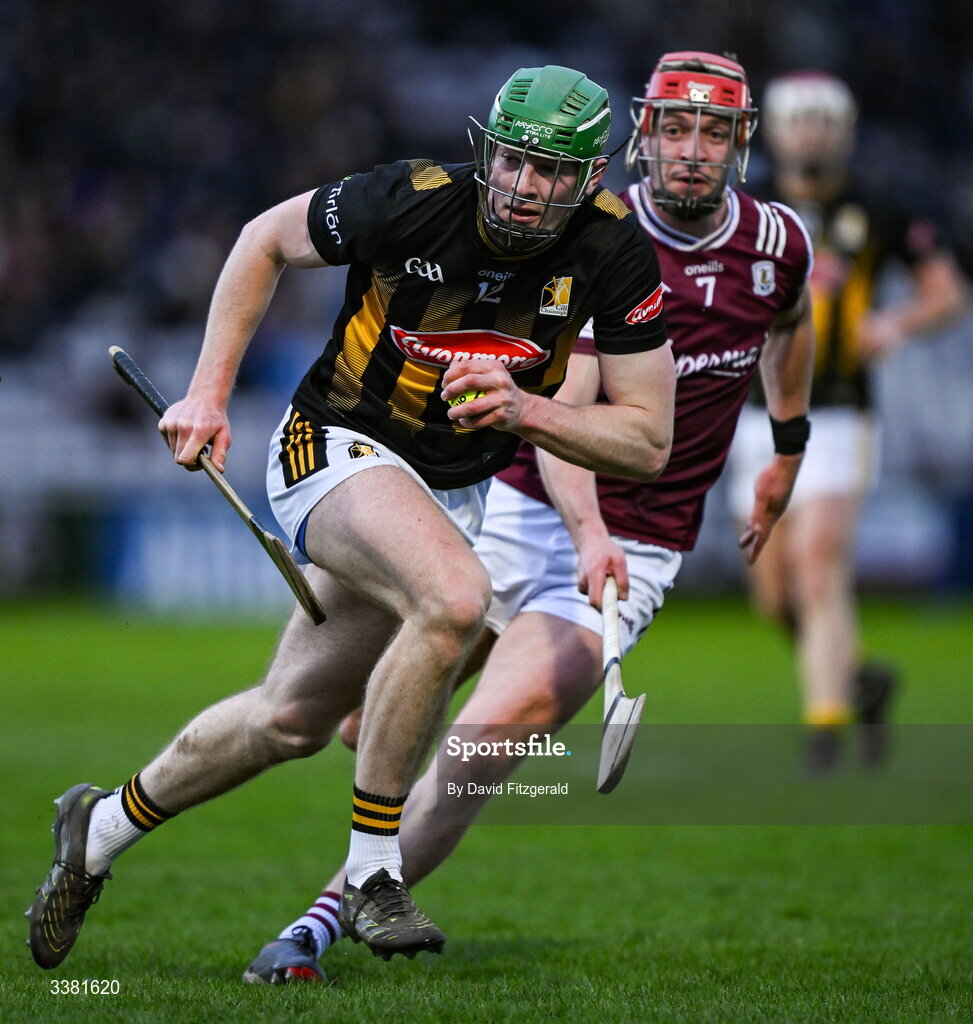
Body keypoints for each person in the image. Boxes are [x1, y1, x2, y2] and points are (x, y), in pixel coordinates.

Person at [27, 65, 678, 971]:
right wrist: (209, 395)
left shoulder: (612, 253)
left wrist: (528, 412)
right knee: (455, 598)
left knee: (288, 720)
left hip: (449, 490)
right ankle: (376, 871)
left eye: (555, 172)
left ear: (592, 178)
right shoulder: (406, 200)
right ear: (485, 150)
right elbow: (262, 241)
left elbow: (648, 439)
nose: (528, 189)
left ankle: (95, 830)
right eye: (515, 163)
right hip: (329, 444)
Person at [240, 50, 816, 985]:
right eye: (675, 127)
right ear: (643, 134)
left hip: (646, 544)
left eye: (714, 131)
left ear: (741, 144)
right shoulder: (600, 239)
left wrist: (786, 443)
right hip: (525, 503)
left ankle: (318, 922)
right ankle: (380, 704)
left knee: (491, 737)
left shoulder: (782, 242)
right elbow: (558, 415)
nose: (692, 150)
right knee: (339, 712)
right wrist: (587, 531)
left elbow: (790, 323)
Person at [726, 71, 969, 773]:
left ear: (846, 129)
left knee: (817, 565)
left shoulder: (879, 208)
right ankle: (860, 679)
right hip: (752, 415)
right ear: (772, 130)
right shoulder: (746, 207)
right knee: (772, 592)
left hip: (839, 413)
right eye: (798, 120)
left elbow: (945, 292)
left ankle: (823, 728)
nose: (812, 133)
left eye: (825, 120)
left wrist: (896, 322)